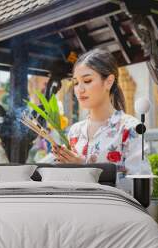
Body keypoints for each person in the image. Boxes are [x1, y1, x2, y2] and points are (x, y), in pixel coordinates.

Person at [52, 49, 152, 194]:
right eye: (75, 83)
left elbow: (143, 189)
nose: (79, 89)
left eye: (87, 81)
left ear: (108, 82)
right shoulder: (75, 132)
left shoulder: (130, 129)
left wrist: (85, 168)